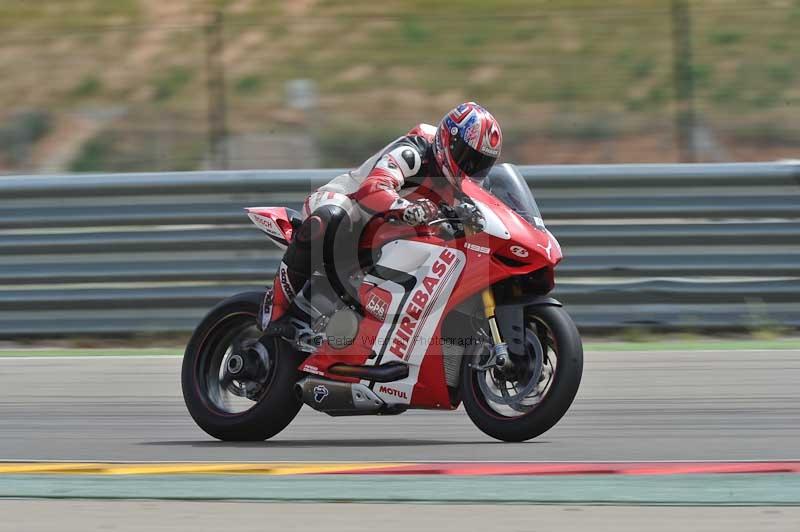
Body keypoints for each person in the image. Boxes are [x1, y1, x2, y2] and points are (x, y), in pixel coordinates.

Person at [264, 101, 503, 335]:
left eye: (481, 164)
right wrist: (405, 208)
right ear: (449, 141)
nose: (472, 168)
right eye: (468, 158)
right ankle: (274, 309)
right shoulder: (414, 151)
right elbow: (373, 188)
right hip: (352, 204)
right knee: (331, 216)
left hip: (395, 232)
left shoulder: (469, 185)